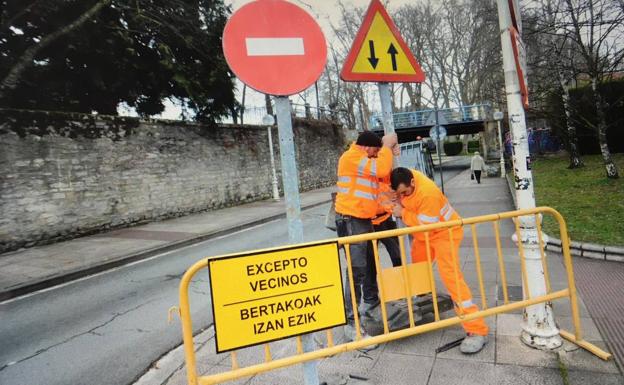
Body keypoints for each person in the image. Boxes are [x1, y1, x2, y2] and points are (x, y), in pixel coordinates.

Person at [390, 167, 489, 354]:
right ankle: (424, 301)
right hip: (424, 235)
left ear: (413, 183)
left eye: (404, 192)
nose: (402, 196)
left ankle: (476, 329)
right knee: (418, 267)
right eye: (399, 193)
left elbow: (425, 224)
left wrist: (401, 212)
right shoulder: (404, 176)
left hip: (445, 232)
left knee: (451, 277)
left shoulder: (428, 194)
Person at [335, 130, 398, 344]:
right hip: (352, 220)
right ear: (369, 147)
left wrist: (390, 153)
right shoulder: (352, 157)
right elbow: (381, 167)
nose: (376, 154)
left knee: (365, 266)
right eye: (376, 150)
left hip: (362, 220)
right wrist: (387, 148)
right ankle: (351, 323)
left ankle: (368, 305)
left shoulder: (363, 160)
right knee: (356, 271)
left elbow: (383, 175)